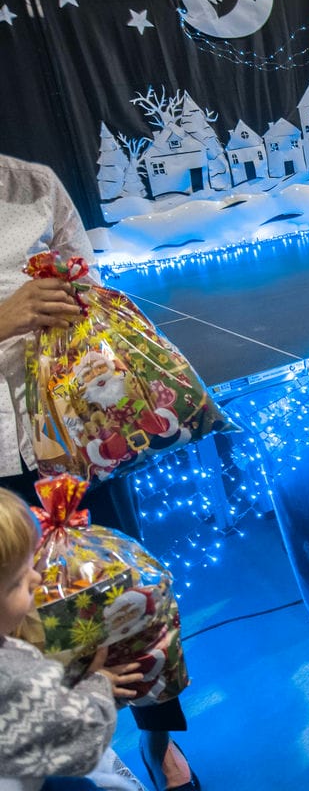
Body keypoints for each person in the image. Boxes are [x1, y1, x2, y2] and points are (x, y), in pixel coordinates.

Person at [0, 154, 198, 791]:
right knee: (18, 615)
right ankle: (46, 747)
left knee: (125, 593)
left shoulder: (34, 183)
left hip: (75, 436)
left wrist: (78, 296)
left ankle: (156, 738)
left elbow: (87, 278)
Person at [0, 488, 145, 791]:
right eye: (18, 581)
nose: (36, 579)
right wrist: (99, 686)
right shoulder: (13, 675)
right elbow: (82, 744)